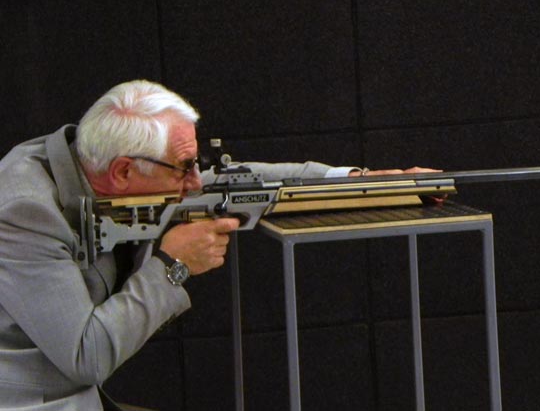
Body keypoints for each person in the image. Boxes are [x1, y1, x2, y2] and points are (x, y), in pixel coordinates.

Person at [0, 80, 436, 410]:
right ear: (123, 172)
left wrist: (360, 181)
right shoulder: (24, 210)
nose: (195, 182)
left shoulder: (95, 161)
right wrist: (172, 264)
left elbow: (240, 178)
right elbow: (87, 355)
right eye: (185, 167)